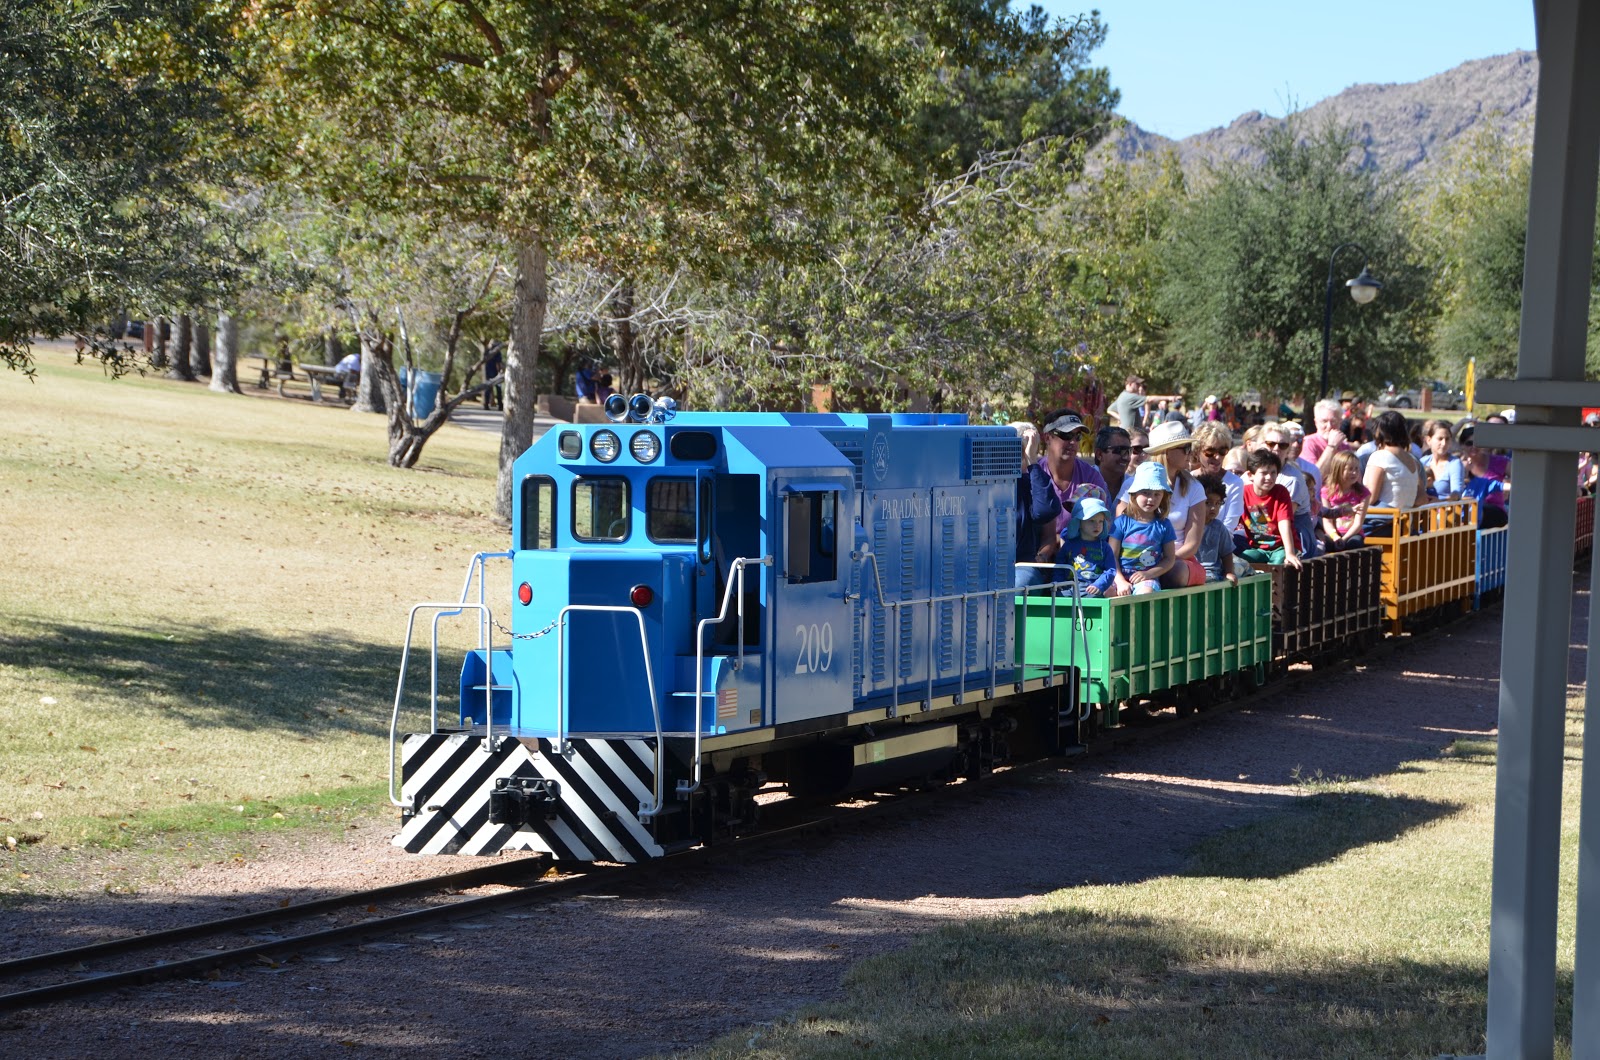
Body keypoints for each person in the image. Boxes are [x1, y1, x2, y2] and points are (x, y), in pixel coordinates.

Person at [1138, 420, 1206, 587]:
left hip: (1181, 559)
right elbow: (1120, 527)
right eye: (1185, 449)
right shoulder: (1135, 484)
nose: (1190, 454)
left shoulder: (1194, 487)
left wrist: (1161, 564)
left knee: (1176, 571)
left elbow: (1192, 545)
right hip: (1139, 558)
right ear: (1167, 452)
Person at [1037, 409, 1110, 532]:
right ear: (1047, 438)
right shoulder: (1033, 475)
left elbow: (1103, 526)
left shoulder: (1091, 478)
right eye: (1066, 435)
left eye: (1078, 436)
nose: (1073, 442)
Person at [1110, 461, 1176, 595]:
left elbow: (1169, 559)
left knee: (1145, 592)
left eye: (1157, 494)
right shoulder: (1121, 523)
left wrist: (1149, 573)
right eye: (1146, 493)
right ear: (1134, 494)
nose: (1151, 499)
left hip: (1146, 578)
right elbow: (1111, 556)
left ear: (1163, 496)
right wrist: (1121, 581)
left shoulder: (1164, 525)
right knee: (1106, 591)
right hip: (1118, 576)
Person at [1255, 423, 1318, 558]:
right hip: (1262, 532)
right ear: (1261, 444)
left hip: (1293, 537)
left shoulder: (1292, 479)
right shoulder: (1251, 474)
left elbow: (1282, 520)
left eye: (1282, 445)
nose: (1277, 449)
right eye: (1271, 443)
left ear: (1288, 448)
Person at [1012, 424, 1063, 589]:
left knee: (1017, 585)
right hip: (989, 565)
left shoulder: (1034, 481)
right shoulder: (987, 482)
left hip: (1022, 566)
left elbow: (1045, 512)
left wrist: (1031, 461)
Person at [1362, 410, 1428, 535]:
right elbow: (1421, 498)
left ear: (1379, 432)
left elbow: (1370, 497)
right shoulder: (1412, 460)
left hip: (1380, 524)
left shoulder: (1380, 456)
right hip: (1405, 525)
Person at [1236, 448, 1302, 568]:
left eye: (1273, 473)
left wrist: (1290, 553)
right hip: (1258, 548)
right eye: (1264, 473)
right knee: (1242, 561)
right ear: (1251, 475)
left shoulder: (1280, 492)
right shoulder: (1243, 493)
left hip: (1281, 547)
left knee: (1278, 564)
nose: (1269, 477)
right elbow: (1233, 521)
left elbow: (1284, 523)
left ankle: (1275, 586)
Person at [1056, 497, 1118, 597]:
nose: (1097, 525)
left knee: (1093, 598)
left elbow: (1110, 570)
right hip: (1069, 586)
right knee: (1059, 597)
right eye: (1091, 521)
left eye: (1101, 521)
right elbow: (1060, 565)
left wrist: (1099, 585)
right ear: (1079, 522)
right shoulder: (1069, 544)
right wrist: (1058, 581)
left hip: (1092, 587)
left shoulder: (1105, 547)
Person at [1191, 420, 1245, 533]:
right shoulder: (1187, 480)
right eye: (1210, 451)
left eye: (1222, 451)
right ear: (1197, 452)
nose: (1217, 457)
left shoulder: (1235, 483)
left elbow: (1229, 527)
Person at [1319, 449, 1370, 551]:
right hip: (1333, 533)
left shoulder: (1363, 493)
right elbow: (1327, 521)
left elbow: (1358, 523)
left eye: (1356, 468)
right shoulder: (1326, 491)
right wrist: (1336, 537)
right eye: (1350, 469)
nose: (1354, 472)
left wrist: (1344, 539)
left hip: (1353, 533)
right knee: (1326, 544)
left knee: (1353, 544)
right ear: (1339, 470)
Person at [1195, 474, 1239, 585]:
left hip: (1213, 573)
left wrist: (1229, 572)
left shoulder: (1219, 527)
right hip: (1193, 570)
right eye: (1208, 503)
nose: (1213, 508)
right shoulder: (1188, 525)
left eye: (1217, 503)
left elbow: (1227, 553)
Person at [1419, 419, 1463, 500]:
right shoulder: (1423, 461)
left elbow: (1457, 492)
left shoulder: (1454, 463)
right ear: (1429, 440)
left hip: (1445, 510)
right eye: (1440, 439)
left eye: (1447, 439)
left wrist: (1438, 502)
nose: (1444, 443)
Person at [1300, 399, 1348, 467]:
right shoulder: (1308, 443)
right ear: (1316, 422)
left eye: (1333, 421)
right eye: (1324, 421)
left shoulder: (1344, 447)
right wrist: (1332, 446)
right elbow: (1314, 476)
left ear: (1340, 422)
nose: (1329, 426)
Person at [1093, 426, 1134, 502]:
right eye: (1119, 450)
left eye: (1129, 451)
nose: (1126, 458)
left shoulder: (1134, 486)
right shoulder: (1084, 480)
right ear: (1099, 454)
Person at [481, 342, 504, 411]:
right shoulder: (497, 352)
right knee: (498, 389)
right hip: (495, 373)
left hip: (488, 372)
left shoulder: (487, 352)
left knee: (488, 388)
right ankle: (500, 405)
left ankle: (486, 404)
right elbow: (498, 363)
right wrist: (500, 371)